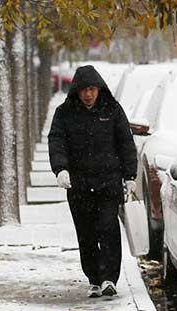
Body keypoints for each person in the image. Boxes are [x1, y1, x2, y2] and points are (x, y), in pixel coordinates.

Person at [48, 65, 138, 298]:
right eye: (83, 90)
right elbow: (56, 141)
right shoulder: (65, 113)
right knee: (86, 233)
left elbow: (126, 143)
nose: (88, 94)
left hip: (108, 183)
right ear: (76, 91)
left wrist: (130, 176)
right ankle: (94, 279)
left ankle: (109, 277)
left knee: (108, 229)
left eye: (92, 89)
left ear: (98, 89)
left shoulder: (112, 110)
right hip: (78, 186)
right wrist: (60, 169)